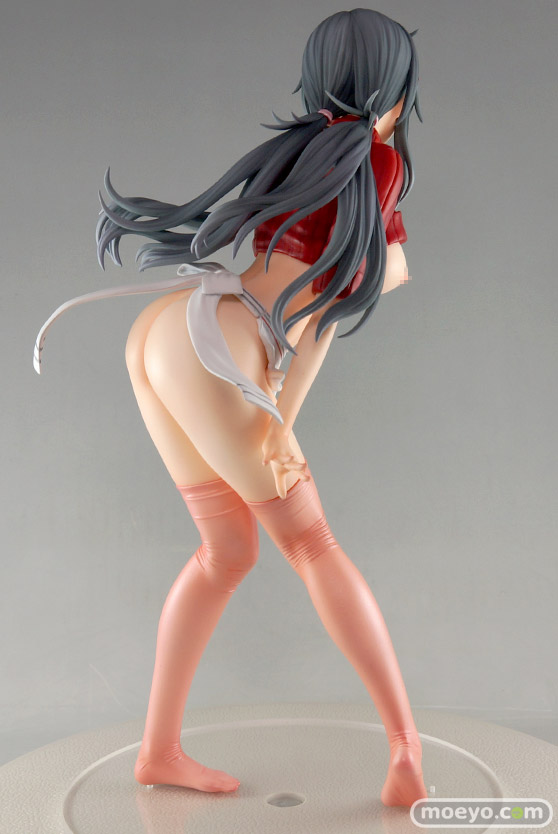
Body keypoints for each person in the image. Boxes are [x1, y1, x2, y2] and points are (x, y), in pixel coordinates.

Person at [34, 8, 427, 807]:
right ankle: (405, 751)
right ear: (392, 88)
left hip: (174, 328)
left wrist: (275, 413)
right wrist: (278, 416)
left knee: (227, 551)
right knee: (311, 542)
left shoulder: (302, 147)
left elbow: (313, 293)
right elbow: (326, 308)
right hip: (225, 349)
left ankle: (159, 752)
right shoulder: (375, 159)